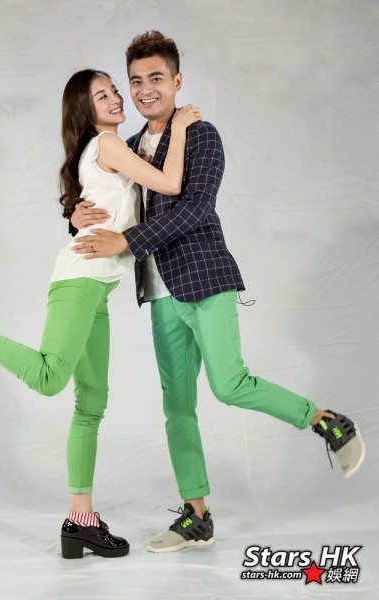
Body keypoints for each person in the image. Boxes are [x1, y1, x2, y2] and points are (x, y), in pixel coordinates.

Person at [69, 31, 366, 554]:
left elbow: (195, 208)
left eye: (156, 78)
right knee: (177, 407)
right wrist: (73, 214)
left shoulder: (202, 135)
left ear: (177, 81)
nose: (144, 89)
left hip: (205, 279)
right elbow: (103, 199)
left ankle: (325, 421)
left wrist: (127, 241)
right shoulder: (127, 146)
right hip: (159, 293)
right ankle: (196, 516)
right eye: (135, 81)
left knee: (230, 385)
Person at [0, 68, 201, 559]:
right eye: (103, 95)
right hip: (80, 279)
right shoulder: (107, 144)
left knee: (91, 403)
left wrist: (75, 215)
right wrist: (179, 127)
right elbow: (171, 182)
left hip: (98, 288)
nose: (117, 99)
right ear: (85, 110)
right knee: (49, 377)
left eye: (114, 91)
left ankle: (81, 522)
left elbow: (110, 206)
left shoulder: (105, 150)